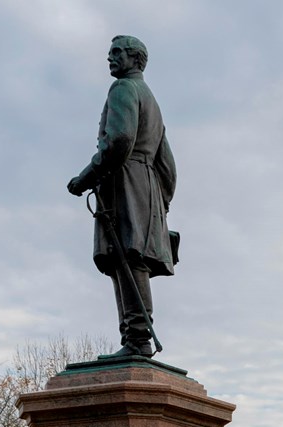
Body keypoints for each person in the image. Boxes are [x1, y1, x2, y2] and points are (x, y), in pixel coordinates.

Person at [67, 35, 177, 359]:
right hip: (146, 184)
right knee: (130, 259)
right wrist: (159, 201)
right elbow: (167, 164)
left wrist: (85, 178)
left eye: (116, 53)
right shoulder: (151, 99)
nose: (110, 58)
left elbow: (119, 140)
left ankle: (137, 338)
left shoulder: (123, 90)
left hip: (125, 179)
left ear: (134, 58)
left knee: (127, 257)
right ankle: (135, 337)